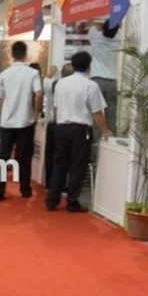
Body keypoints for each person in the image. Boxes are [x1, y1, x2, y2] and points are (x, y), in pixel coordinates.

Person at [45, 50, 113, 213]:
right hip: (81, 131)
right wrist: (105, 130)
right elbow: (97, 112)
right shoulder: (90, 85)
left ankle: (52, 200)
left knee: (59, 164)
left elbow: (56, 108)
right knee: (78, 165)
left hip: (61, 128)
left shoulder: (60, 84)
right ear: (89, 66)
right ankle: (72, 201)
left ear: (73, 65)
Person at [0, 41, 42, 201]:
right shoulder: (32, 74)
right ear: (25, 54)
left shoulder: (4, 74)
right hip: (26, 121)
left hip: (7, 122)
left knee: (3, 157)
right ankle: (25, 189)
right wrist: (36, 114)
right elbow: (39, 94)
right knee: (24, 157)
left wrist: (4, 113)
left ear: (12, 55)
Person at [87, 20, 120, 139]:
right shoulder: (119, 38)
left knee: (96, 111)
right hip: (112, 80)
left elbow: (93, 26)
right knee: (112, 112)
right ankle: (112, 139)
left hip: (97, 80)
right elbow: (116, 29)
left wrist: (98, 26)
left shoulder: (95, 36)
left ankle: (96, 141)